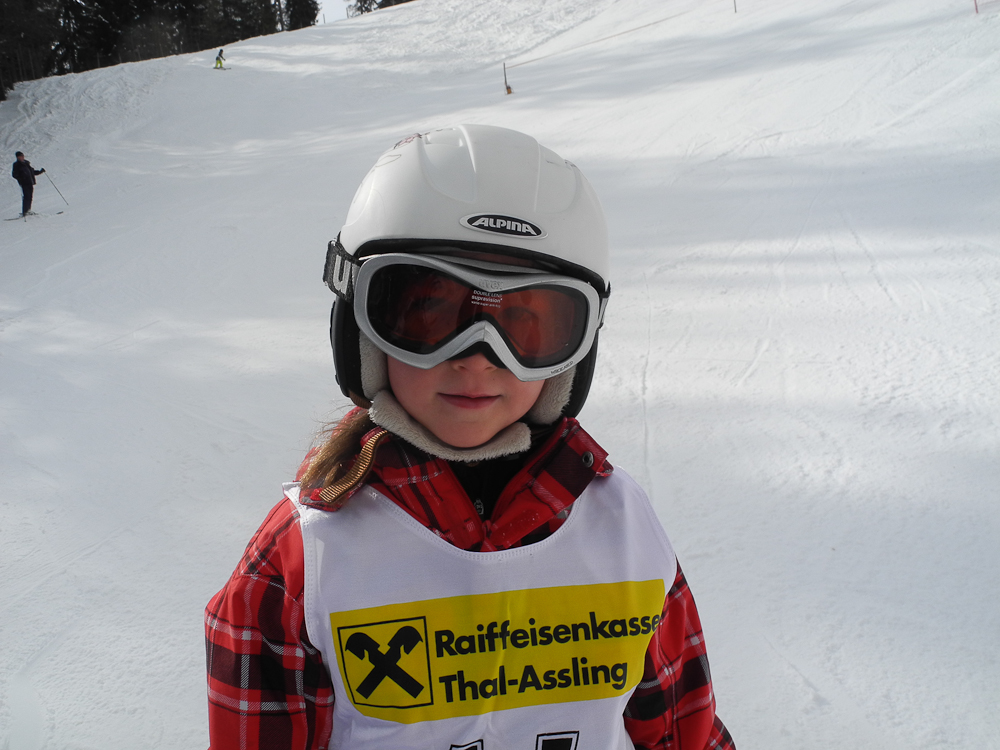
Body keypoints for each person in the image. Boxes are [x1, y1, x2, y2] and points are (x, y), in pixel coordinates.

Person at [204, 124, 736, 750]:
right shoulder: (306, 561)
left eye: (527, 325)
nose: (478, 357)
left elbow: (684, 730)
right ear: (363, 329)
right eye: (430, 313)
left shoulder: (622, 532)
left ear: (572, 357)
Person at [11, 151, 44, 217]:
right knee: (26, 197)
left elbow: (32, 172)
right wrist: (21, 178)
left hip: (30, 182)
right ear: (17, 157)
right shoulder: (16, 165)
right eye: (20, 156)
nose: (22, 157)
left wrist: (40, 171)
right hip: (24, 183)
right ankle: (25, 212)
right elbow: (14, 174)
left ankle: (28, 210)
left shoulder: (26, 163)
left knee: (30, 196)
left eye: (22, 156)